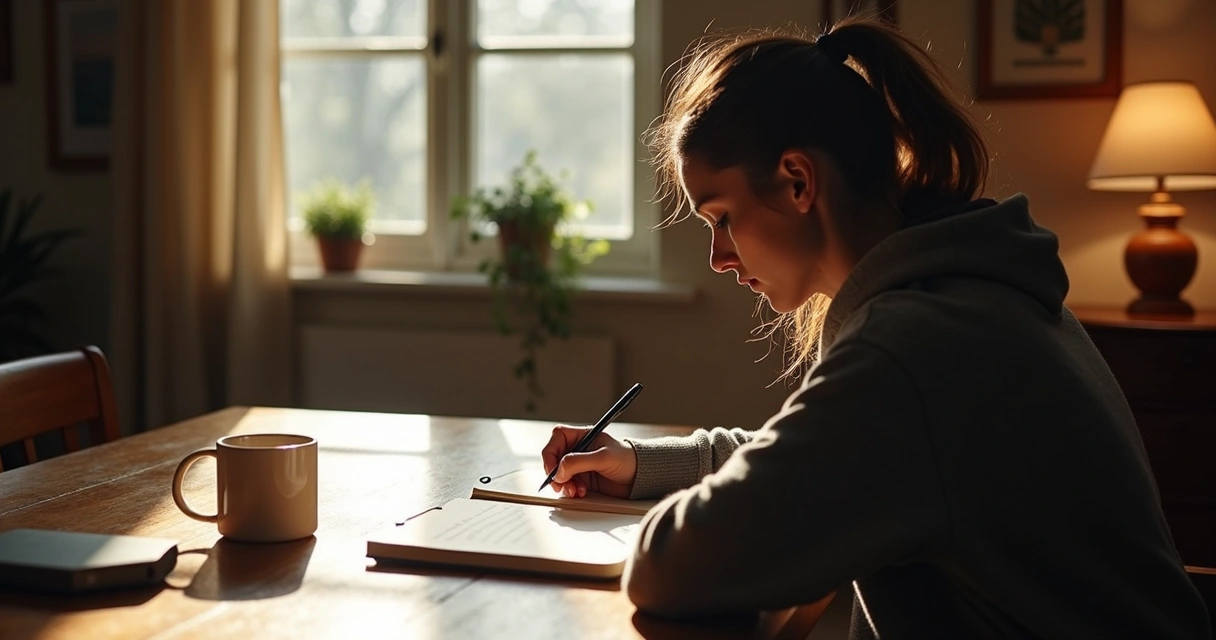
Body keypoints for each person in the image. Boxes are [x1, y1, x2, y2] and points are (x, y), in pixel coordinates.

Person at [539, 16, 1211, 639]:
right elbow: (837, 454)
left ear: (798, 181)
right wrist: (643, 465)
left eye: (721, 217)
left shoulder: (915, 349)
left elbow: (673, 568)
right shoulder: (970, 295)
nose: (718, 258)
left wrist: (668, 526)